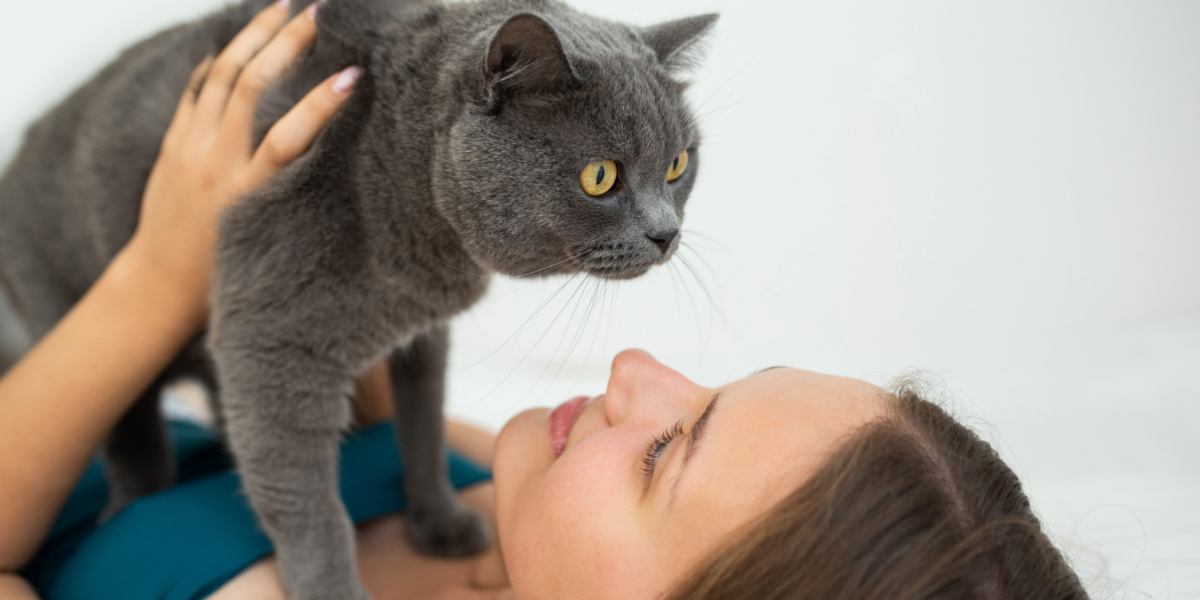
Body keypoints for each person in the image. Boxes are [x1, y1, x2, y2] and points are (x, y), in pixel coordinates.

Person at [0, 4, 1088, 599]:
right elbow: (343, 330)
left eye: (669, 452)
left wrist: (153, 279)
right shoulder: (506, 484)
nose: (635, 375)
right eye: (712, 386)